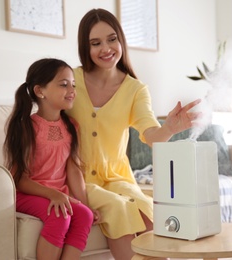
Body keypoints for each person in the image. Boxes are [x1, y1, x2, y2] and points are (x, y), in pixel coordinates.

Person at [66, 8, 202, 260]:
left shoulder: (135, 89)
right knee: (118, 209)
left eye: (112, 39)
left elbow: (150, 134)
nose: (106, 48)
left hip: (118, 177)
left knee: (147, 212)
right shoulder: (71, 80)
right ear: (85, 47)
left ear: (121, 39)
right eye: (95, 43)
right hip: (77, 178)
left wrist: (169, 128)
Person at [3, 58, 99, 260]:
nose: (72, 90)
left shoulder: (71, 126)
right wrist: (53, 195)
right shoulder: (26, 127)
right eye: (63, 84)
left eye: (73, 84)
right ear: (40, 91)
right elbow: (18, 178)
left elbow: (73, 169)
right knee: (59, 214)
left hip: (57, 194)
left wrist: (84, 203)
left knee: (85, 216)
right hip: (25, 193)